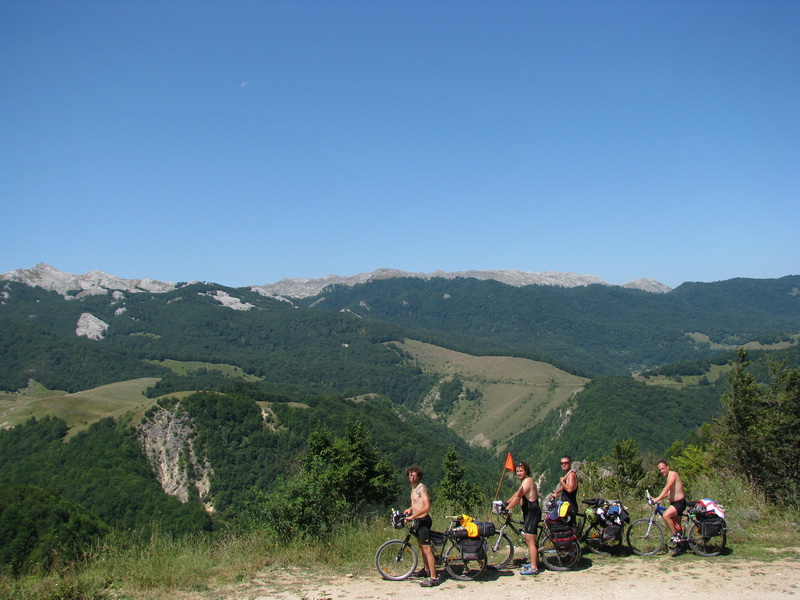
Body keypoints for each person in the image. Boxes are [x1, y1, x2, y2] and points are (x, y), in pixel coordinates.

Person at [403, 465, 439, 587]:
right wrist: (410, 509)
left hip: (423, 521)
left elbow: (426, 506)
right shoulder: (413, 488)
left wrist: (412, 516)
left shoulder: (421, 488)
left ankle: (433, 578)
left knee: (427, 549)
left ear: (419, 476)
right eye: (410, 475)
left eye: (414, 475)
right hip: (418, 520)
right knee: (422, 546)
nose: (411, 477)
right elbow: (417, 503)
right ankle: (426, 569)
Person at [506, 461, 542, 576]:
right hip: (529, 514)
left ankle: (534, 568)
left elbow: (518, 498)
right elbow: (517, 494)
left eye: (521, 471)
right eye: (517, 471)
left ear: (526, 471)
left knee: (529, 540)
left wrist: (507, 509)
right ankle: (535, 562)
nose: (519, 473)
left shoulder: (528, 481)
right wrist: (507, 502)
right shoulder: (525, 481)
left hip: (532, 514)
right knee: (531, 540)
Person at [652, 460, 686, 550]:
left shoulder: (673, 474)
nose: (661, 471)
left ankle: (674, 536)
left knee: (666, 515)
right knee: (677, 525)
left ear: (668, 467)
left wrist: (657, 499)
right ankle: (680, 546)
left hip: (679, 503)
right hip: (675, 503)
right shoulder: (669, 476)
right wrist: (656, 498)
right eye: (660, 470)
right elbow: (669, 492)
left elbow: (667, 487)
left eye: (663, 469)